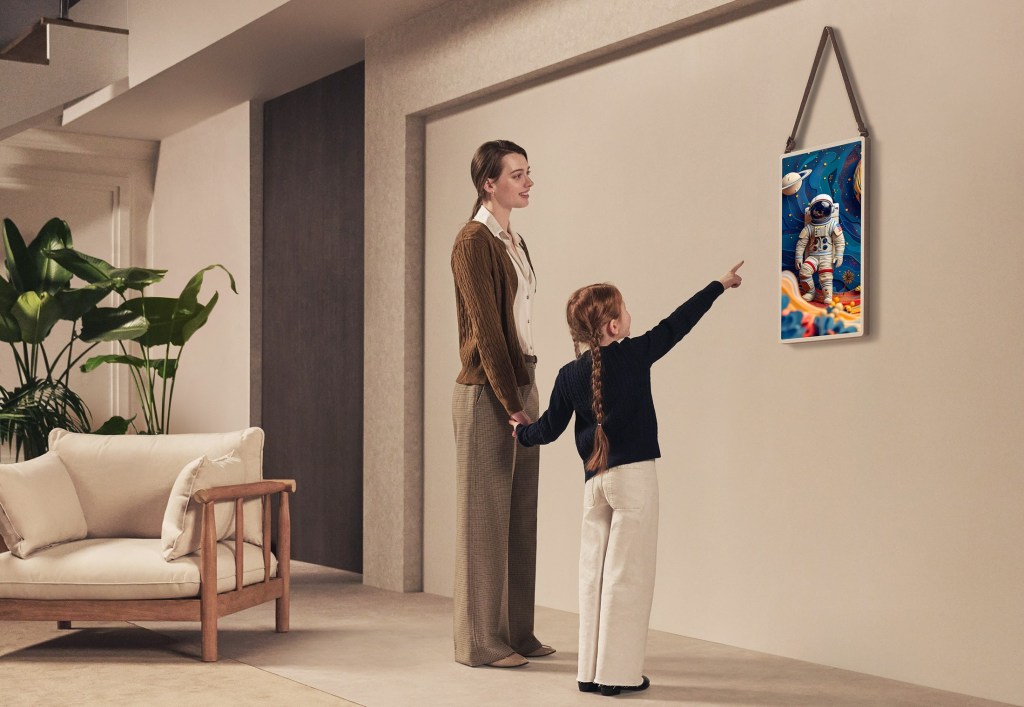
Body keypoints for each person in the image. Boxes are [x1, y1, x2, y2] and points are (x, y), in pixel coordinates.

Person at [512, 262, 744, 695]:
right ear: (614, 325)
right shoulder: (635, 355)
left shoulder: (568, 375)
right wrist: (718, 285)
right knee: (626, 577)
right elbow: (677, 324)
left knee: (592, 575)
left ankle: (588, 672)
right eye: (626, 310)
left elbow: (546, 430)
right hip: (633, 480)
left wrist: (520, 431)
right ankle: (617, 676)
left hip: (594, 484)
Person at [450, 139, 552, 668]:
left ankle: (517, 632)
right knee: (482, 518)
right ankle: (478, 642)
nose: (528, 182)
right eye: (517, 174)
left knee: (519, 514)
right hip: (488, 390)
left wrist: (526, 390)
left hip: (523, 381)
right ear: (489, 183)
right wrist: (512, 401)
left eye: (528, 173)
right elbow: (488, 332)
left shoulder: (515, 240)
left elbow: (520, 324)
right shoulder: (473, 241)